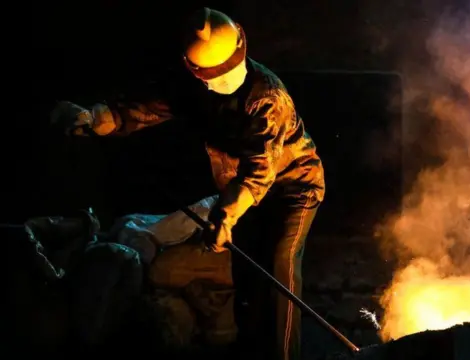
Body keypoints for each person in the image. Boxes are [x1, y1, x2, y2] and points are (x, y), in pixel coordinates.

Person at [50, 7, 325, 360]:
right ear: (193, 69)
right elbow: (142, 108)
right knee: (244, 272)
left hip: (293, 188)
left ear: (242, 42)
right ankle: (249, 348)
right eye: (216, 75)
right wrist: (96, 117)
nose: (228, 80)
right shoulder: (190, 87)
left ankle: (284, 354)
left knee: (277, 269)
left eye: (231, 68)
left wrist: (227, 213)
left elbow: (259, 173)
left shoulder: (266, 98)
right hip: (237, 190)